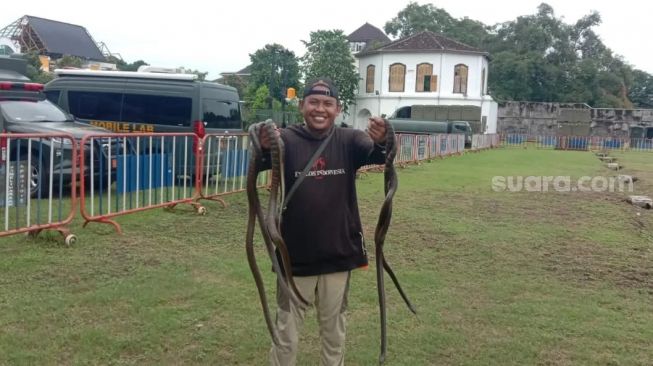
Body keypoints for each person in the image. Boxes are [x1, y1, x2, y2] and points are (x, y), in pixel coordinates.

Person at [259, 77, 387, 366]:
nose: (320, 109)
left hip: (338, 256)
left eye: (327, 103)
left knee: (334, 333)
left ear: (338, 109)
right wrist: (263, 145)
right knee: (286, 332)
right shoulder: (286, 140)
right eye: (314, 102)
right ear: (302, 105)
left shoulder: (350, 140)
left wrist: (383, 139)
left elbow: (379, 152)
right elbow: (261, 160)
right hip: (293, 259)